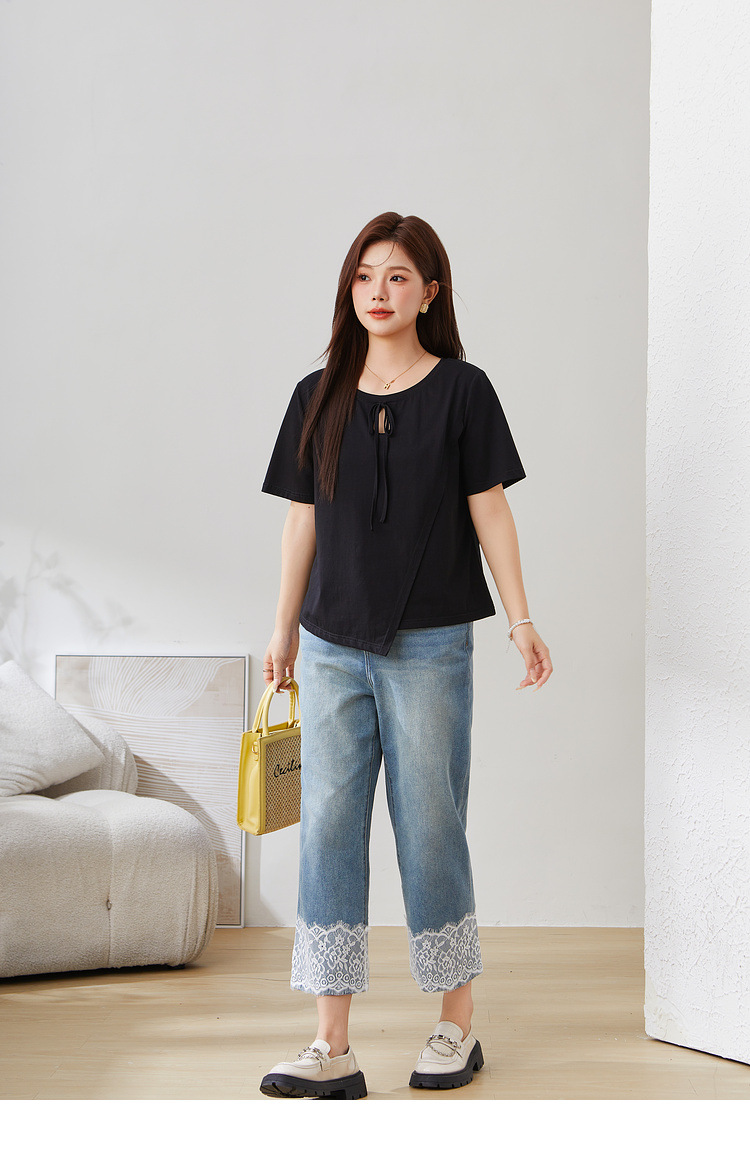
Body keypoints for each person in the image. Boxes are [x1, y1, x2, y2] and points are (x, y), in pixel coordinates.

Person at [257, 211, 553, 1099]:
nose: (378, 292)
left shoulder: (464, 390)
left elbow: (490, 508)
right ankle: (331, 1044)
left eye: (396, 277)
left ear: (431, 292)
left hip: (430, 644)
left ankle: (456, 1024)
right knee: (328, 828)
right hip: (331, 644)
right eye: (364, 276)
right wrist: (282, 630)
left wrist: (521, 619)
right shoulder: (315, 395)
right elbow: (301, 521)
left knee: (430, 823)